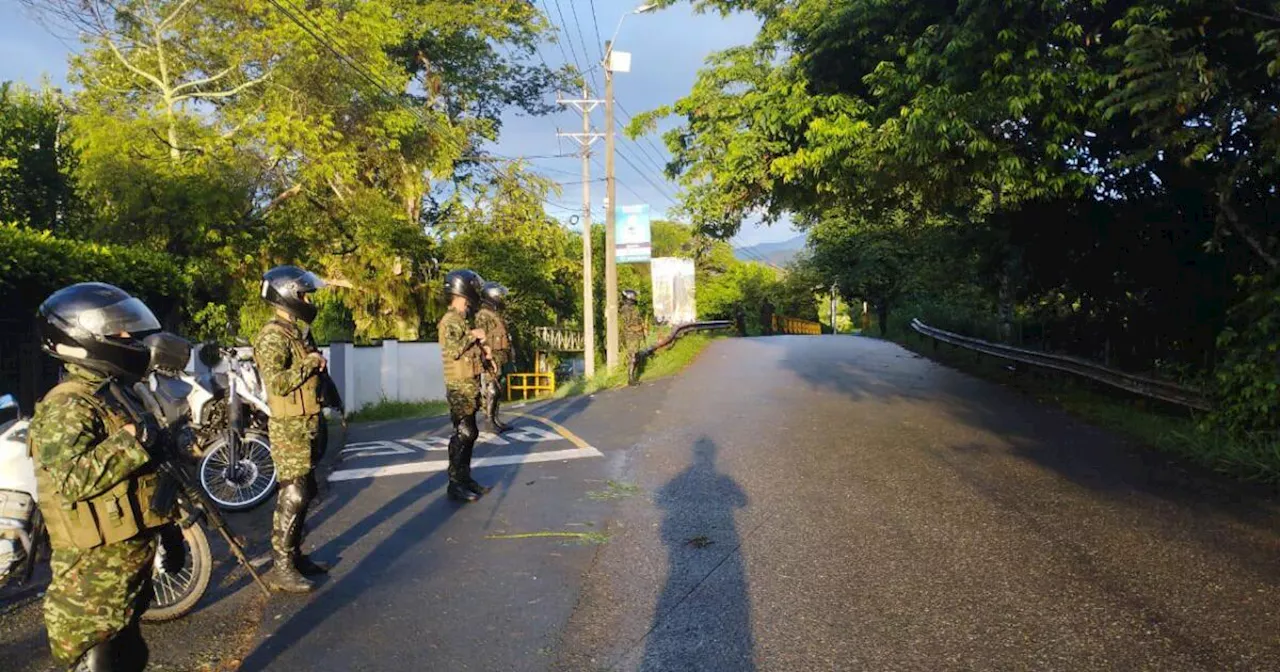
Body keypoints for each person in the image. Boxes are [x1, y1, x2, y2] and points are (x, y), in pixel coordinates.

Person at [28, 282, 177, 671]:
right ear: (83, 338)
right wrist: (131, 441)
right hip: (92, 583)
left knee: (131, 656)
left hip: (124, 570)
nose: (129, 339)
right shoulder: (67, 405)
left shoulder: (111, 391)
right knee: (101, 661)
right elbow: (73, 480)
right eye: (119, 333)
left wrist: (170, 528)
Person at [254, 265, 331, 593]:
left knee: (306, 490)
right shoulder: (272, 335)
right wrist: (310, 362)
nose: (306, 299)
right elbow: (278, 383)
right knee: (294, 493)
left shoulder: (292, 332)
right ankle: (281, 567)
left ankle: (296, 556)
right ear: (286, 294)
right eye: (302, 294)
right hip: (289, 426)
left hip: (306, 421)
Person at [438, 269, 491, 503]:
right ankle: (455, 483)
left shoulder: (461, 321)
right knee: (463, 433)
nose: (471, 302)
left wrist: (485, 354)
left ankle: (465, 477)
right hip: (459, 387)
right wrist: (474, 335)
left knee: (471, 433)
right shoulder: (450, 321)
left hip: (469, 384)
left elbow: (470, 352)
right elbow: (453, 350)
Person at [475, 282, 513, 433]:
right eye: (499, 295)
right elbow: (481, 337)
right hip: (491, 357)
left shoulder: (494, 314)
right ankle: (489, 421)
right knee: (491, 389)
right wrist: (486, 356)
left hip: (499, 357)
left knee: (497, 388)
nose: (501, 298)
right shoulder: (483, 315)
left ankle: (495, 419)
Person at [620, 289, 648, 381]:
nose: (635, 298)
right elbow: (628, 325)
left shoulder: (632, 308)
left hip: (635, 336)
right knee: (632, 357)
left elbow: (637, 320)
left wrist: (642, 328)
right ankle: (630, 379)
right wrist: (639, 328)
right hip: (630, 336)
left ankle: (632, 377)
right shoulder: (626, 309)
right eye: (633, 296)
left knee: (635, 356)